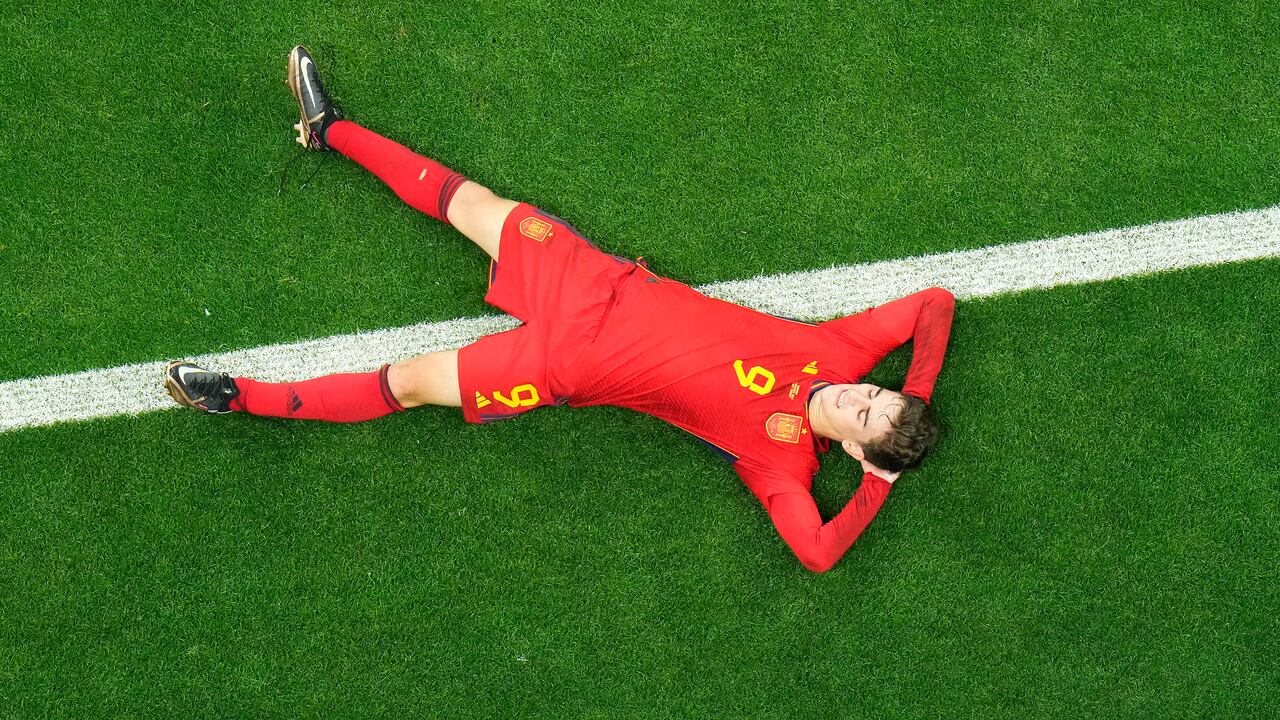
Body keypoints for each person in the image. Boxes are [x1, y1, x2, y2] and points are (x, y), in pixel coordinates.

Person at [165, 46, 956, 573]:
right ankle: (329, 129)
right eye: (878, 397)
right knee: (469, 202)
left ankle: (240, 398)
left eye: (865, 420)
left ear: (856, 451)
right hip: (594, 282)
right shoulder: (843, 355)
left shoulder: (780, 464)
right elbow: (933, 302)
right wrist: (916, 384)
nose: (860, 398)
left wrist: (879, 481)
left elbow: (816, 552)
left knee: (405, 383)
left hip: (561, 368)